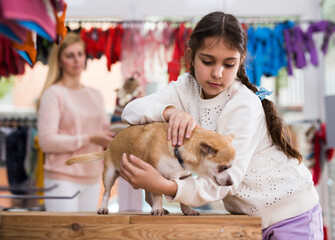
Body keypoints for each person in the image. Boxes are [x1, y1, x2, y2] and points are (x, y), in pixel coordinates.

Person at [119, 12, 323, 240]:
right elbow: (131, 112)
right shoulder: (185, 88)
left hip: (293, 214)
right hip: (247, 220)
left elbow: (227, 182)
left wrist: (167, 187)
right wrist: (169, 112)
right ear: (190, 56)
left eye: (229, 64)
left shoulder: (242, 104)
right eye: (207, 61)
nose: (217, 73)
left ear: (241, 60)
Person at [37, 32, 114, 212]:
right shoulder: (53, 94)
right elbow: (46, 142)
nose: (76, 60)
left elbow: (104, 133)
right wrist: (91, 138)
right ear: (60, 60)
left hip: (93, 178)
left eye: (80, 54)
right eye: (69, 56)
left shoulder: (95, 95)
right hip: (61, 179)